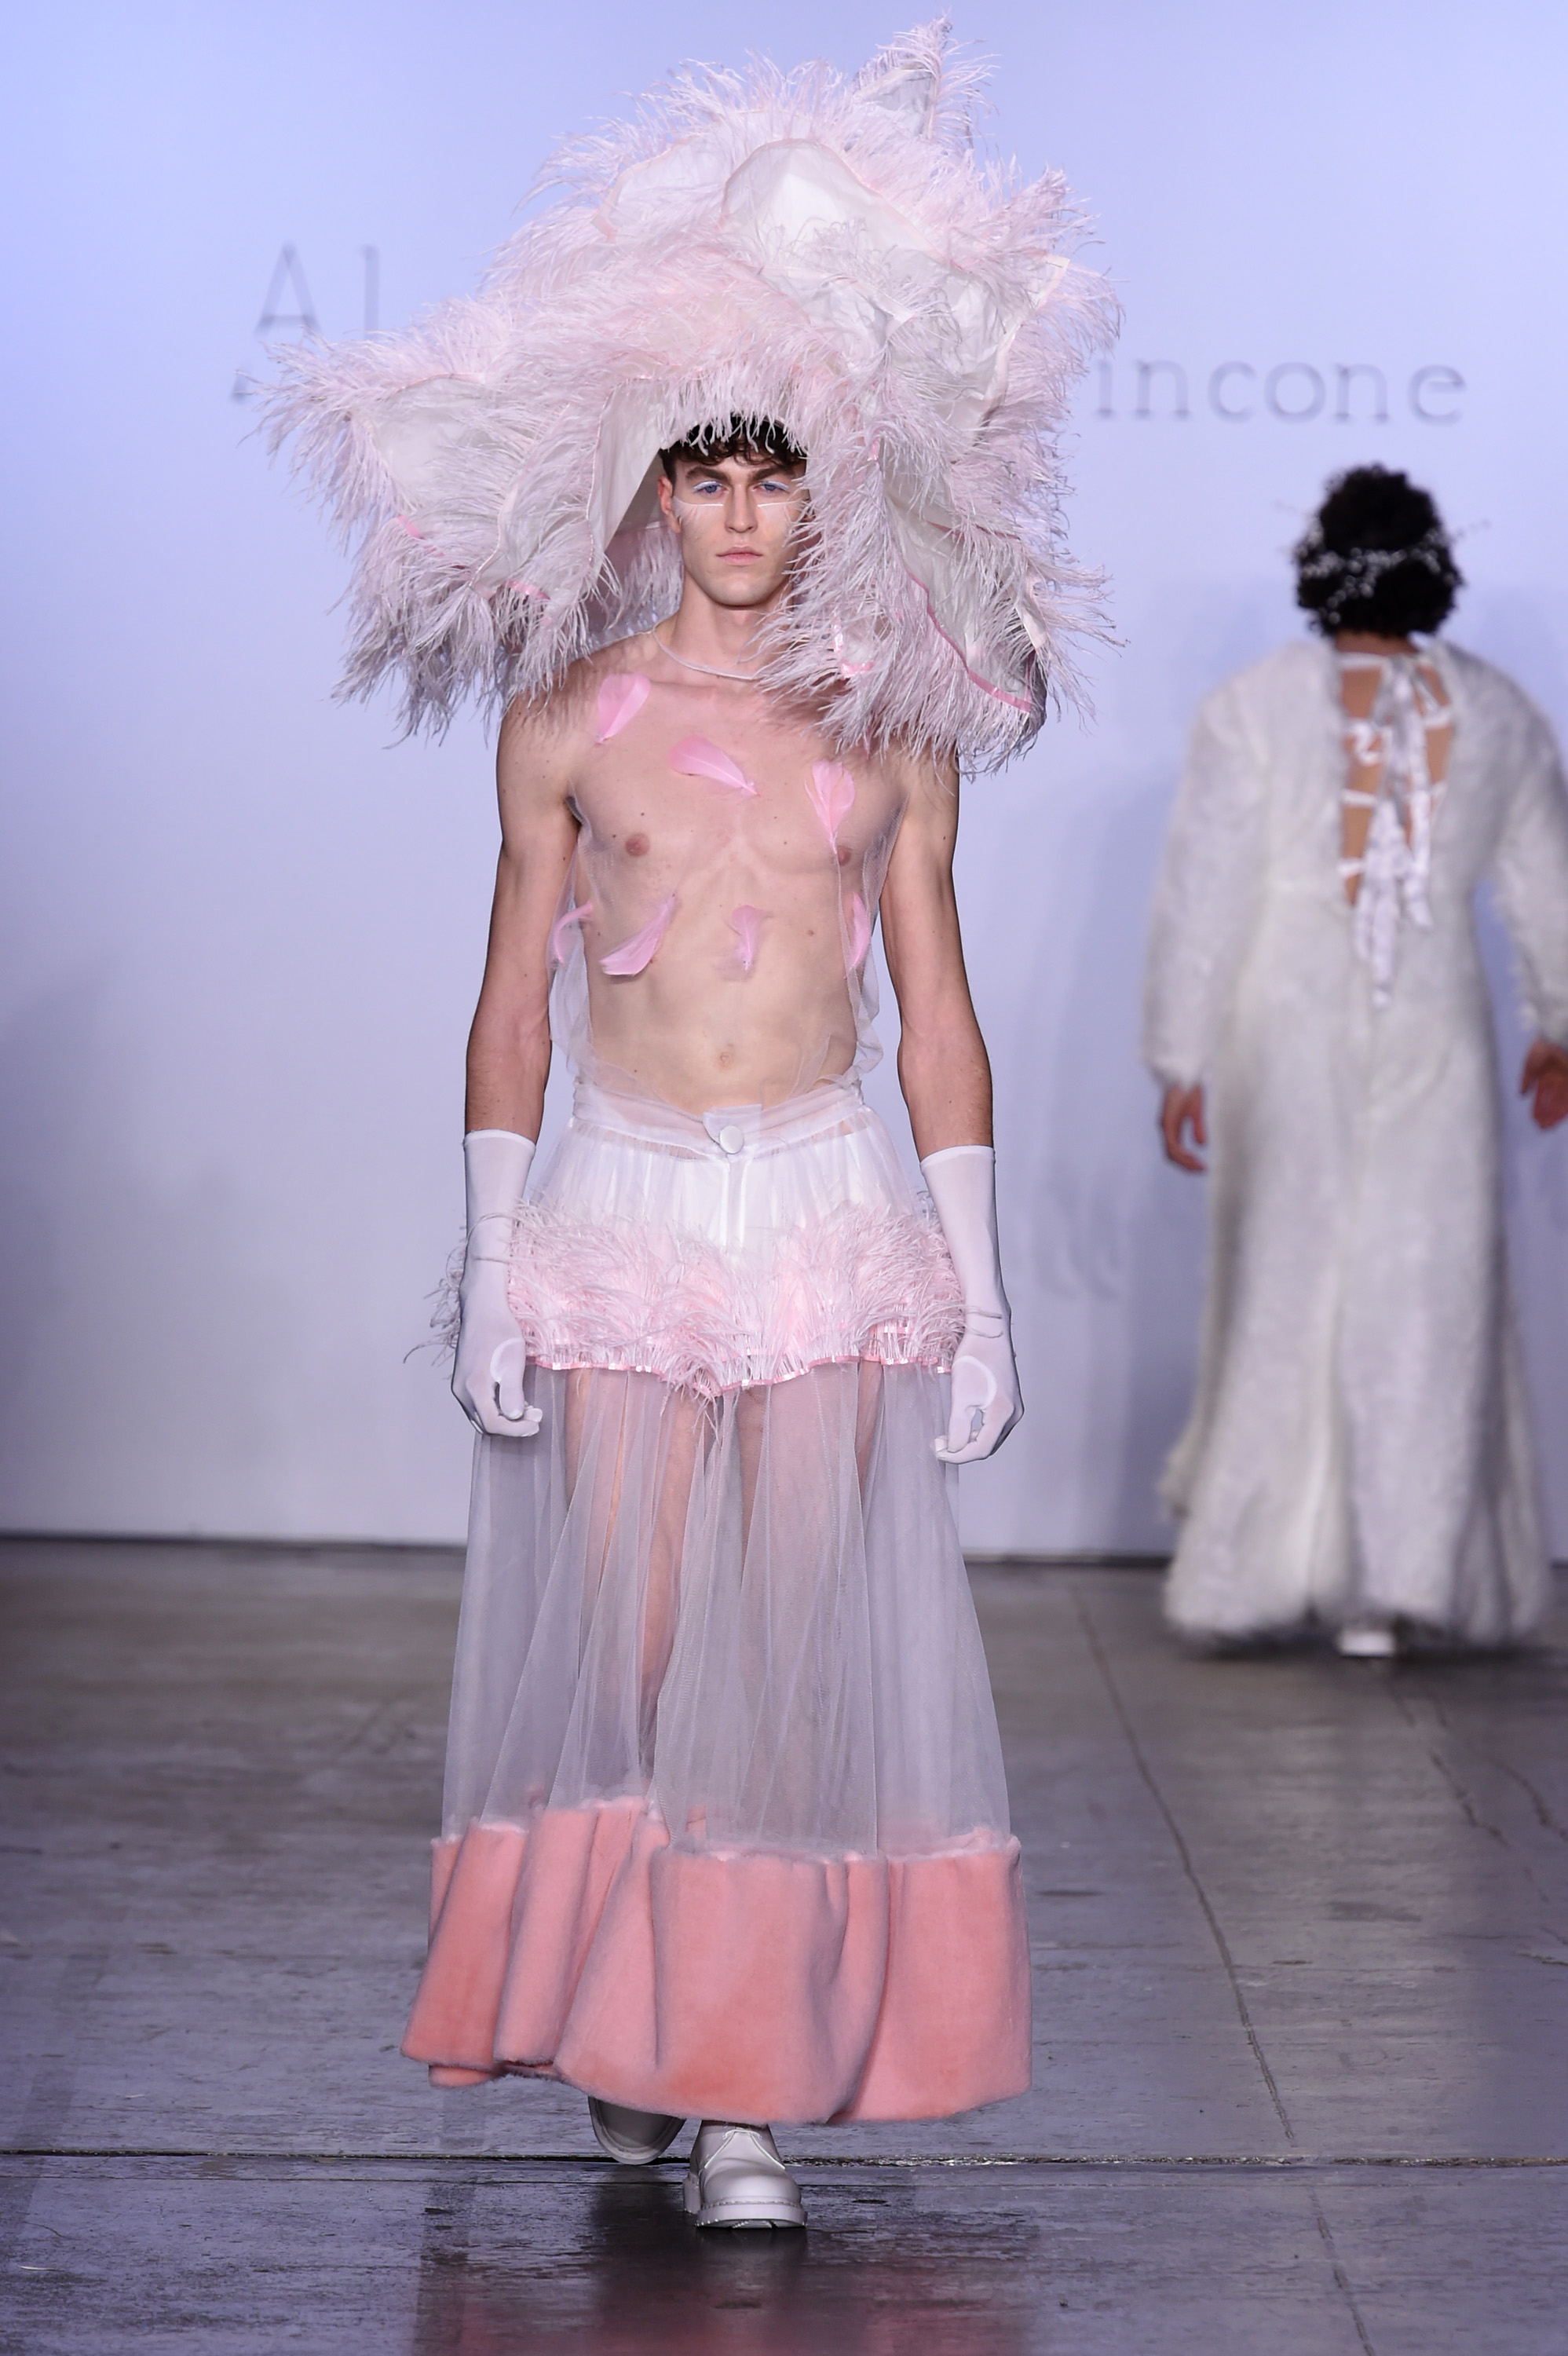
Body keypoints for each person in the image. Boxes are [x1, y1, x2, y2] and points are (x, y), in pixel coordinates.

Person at [269, 28, 1112, 2226]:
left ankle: (738, 2088)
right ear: (650, 492)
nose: (740, 512)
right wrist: (487, 1266)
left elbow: (935, 1011)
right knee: (638, 1645)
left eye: (772, 478)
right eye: (704, 475)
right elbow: (508, 999)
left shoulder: (891, 729)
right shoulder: (569, 718)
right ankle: (633, 2034)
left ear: (824, 493)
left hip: (822, 1212)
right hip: (622, 1217)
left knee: (790, 1664)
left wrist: (981, 1297)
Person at [1144, 465, 1568, 1657]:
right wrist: (1559, 1023)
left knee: (1286, 1277)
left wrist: (1180, 1057)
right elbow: (1546, 889)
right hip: (1433, 1010)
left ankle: (1254, 1571)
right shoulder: (1495, 714)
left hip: (1287, 1010)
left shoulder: (1253, 707)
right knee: (1426, 1287)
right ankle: (1398, 1577)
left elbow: (1206, 891)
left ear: (1318, 567)